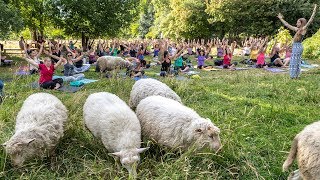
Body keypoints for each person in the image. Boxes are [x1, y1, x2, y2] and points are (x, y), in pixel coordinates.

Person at [278, 4, 317, 78]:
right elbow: (287, 25)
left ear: (302, 23)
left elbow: (310, 20)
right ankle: (294, 75)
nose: (296, 23)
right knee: (294, 61)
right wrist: (281, 18)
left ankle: (295, 76)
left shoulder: (303, 29)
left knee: (295, 61)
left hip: (298, 46)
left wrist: (314, 10)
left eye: (298, 22)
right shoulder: (297, 29)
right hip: (295, 46)